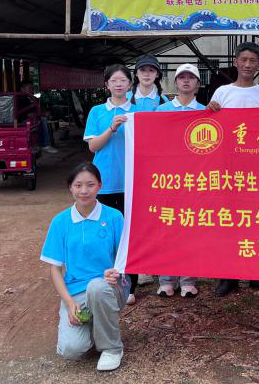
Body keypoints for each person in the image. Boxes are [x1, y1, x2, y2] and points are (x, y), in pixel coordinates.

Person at [208, 42, 259, 298]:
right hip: (229, 169)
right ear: (236, 62)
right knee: (229, 222)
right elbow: (210, 127)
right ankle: (228, 277)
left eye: (253, 61)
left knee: (258, 222)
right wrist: (211, 110)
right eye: (244, 60)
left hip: (258, 169)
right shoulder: (222, 92)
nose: (248, 64)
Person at [40, 162, 129, 371]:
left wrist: (117, 272)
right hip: (76, 292)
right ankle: (96, 326)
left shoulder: (114, 216)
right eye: (78, 185)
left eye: (90, 184)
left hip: (109, 287)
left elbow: (125, 258)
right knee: (71, 350)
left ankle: (112, 348)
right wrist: (69, 302)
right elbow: (55, 269)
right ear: (70, 188)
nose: (84, 191)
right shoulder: (60, 222)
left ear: (100, 186)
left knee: (96, 287)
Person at [83, 64, 138, 304]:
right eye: (114, 80)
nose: (118, 84)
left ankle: (130, 285)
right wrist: (112, 128)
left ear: (130, 84)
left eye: (123, 80)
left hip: (132, 183)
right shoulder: (97, 112)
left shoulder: (137, 112)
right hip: (104, 183)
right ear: (107, 85)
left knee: (130, 234)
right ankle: (105, 281)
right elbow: (93, 146)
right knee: (105, 233)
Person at [154, 63, 206, 298]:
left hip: (195, 181)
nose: (186, 81)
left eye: (191, 77)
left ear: (198, 84)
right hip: (167, 180)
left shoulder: (205, 111)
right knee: (167, 229)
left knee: (191, 230)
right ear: (175, 82)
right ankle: (166, 280)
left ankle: (188, 280)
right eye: (182, 77)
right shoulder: (160, 111)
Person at [127, 55, 168, 287]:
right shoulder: (126, 100)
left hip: (155, 167)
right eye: (143, 70)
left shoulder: (164, 102)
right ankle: (138, 266)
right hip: (130, 166)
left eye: (151, 70)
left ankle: (154, 263)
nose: (147, 74)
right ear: (136, 74)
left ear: (157, 74)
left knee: (154, 215)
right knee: (134, 216)